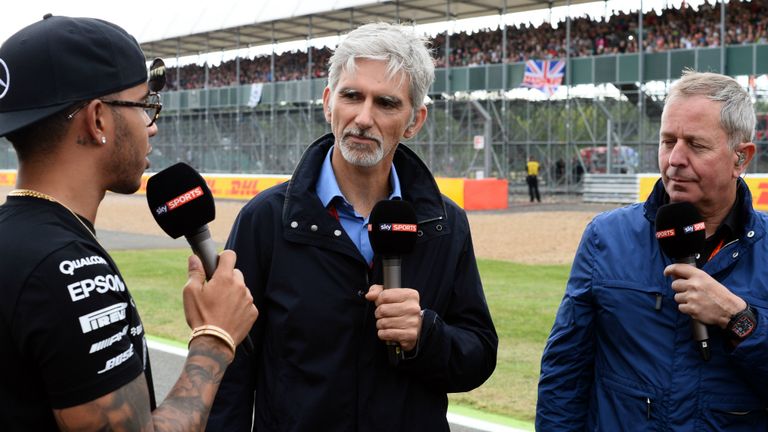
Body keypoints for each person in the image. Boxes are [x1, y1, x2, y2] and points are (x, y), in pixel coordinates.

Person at [206, 22, 498, 431]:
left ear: (414, 120)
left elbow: (480, 353)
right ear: (328, 102)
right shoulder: (265, 219)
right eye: (352, 96)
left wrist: (424, 335)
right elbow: (231, 371)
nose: (363, 117)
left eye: (386, 103)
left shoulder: (444, 224)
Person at [0, 15, 258, 431]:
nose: (152, 127)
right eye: (144, 106)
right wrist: (215, 339)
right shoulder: (69, 271)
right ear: (98, 119)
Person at [536, 70, 768, 430]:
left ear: (741, 157)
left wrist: (739, 319)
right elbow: (565, 372)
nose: (675, 158)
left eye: (696, 144)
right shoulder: (606, 237)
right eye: (667, 141)